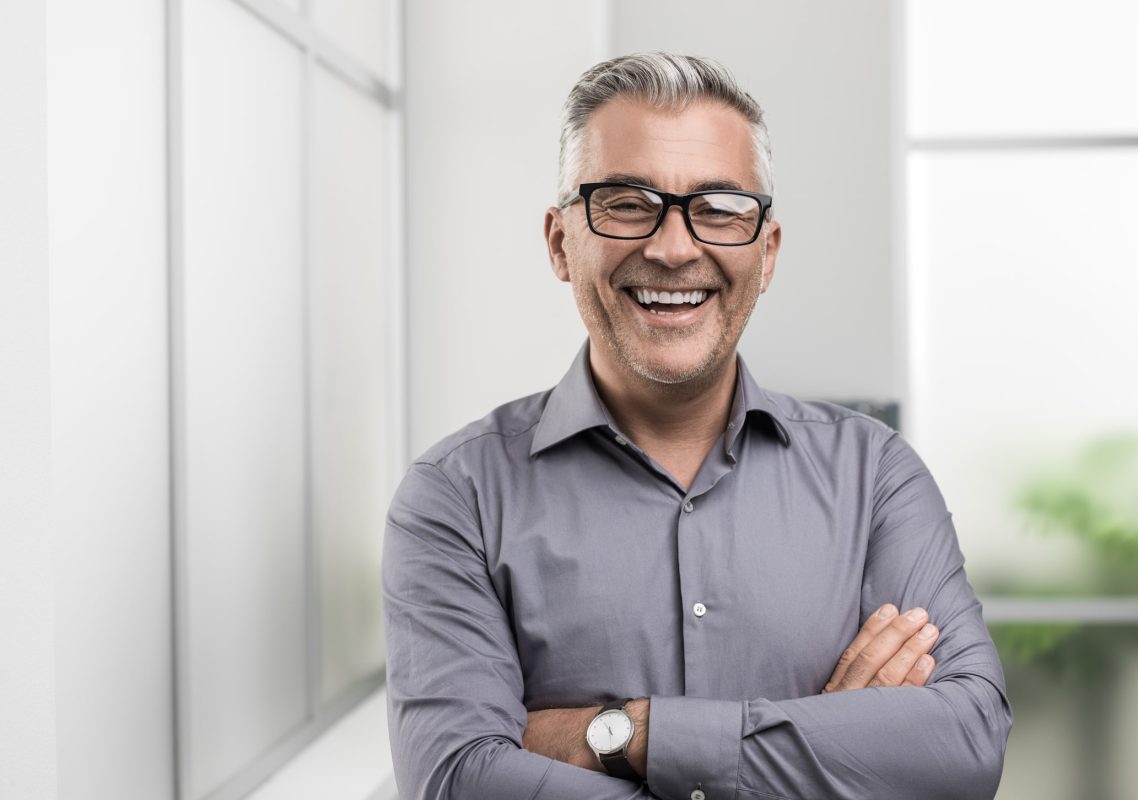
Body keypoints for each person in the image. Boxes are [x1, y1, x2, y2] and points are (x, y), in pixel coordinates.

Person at [383, 52, 1012, 799]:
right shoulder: (455, 497)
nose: (674, 248)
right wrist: (828, 755)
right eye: (625, 203)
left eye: (718, 207)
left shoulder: (875, 475)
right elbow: (459, 779)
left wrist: (627, 733)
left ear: (766, 253)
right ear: (559, 243)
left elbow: (965, 746)